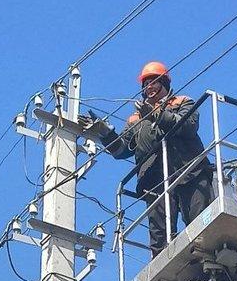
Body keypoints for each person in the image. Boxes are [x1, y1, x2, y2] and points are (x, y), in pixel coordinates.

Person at [79, 61, 215, 257]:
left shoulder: (182, 102)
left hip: (188, 171)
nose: (149, 87)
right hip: (154, 180)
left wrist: (156, 114)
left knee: (198, 220)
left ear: (165, 84)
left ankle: (205, 256)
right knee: (160, 235)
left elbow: (187, 126)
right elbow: (121, 150)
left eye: (154, 82)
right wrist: (104, 132)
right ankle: (166, 265)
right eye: (146, 84)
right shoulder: (135, 119)